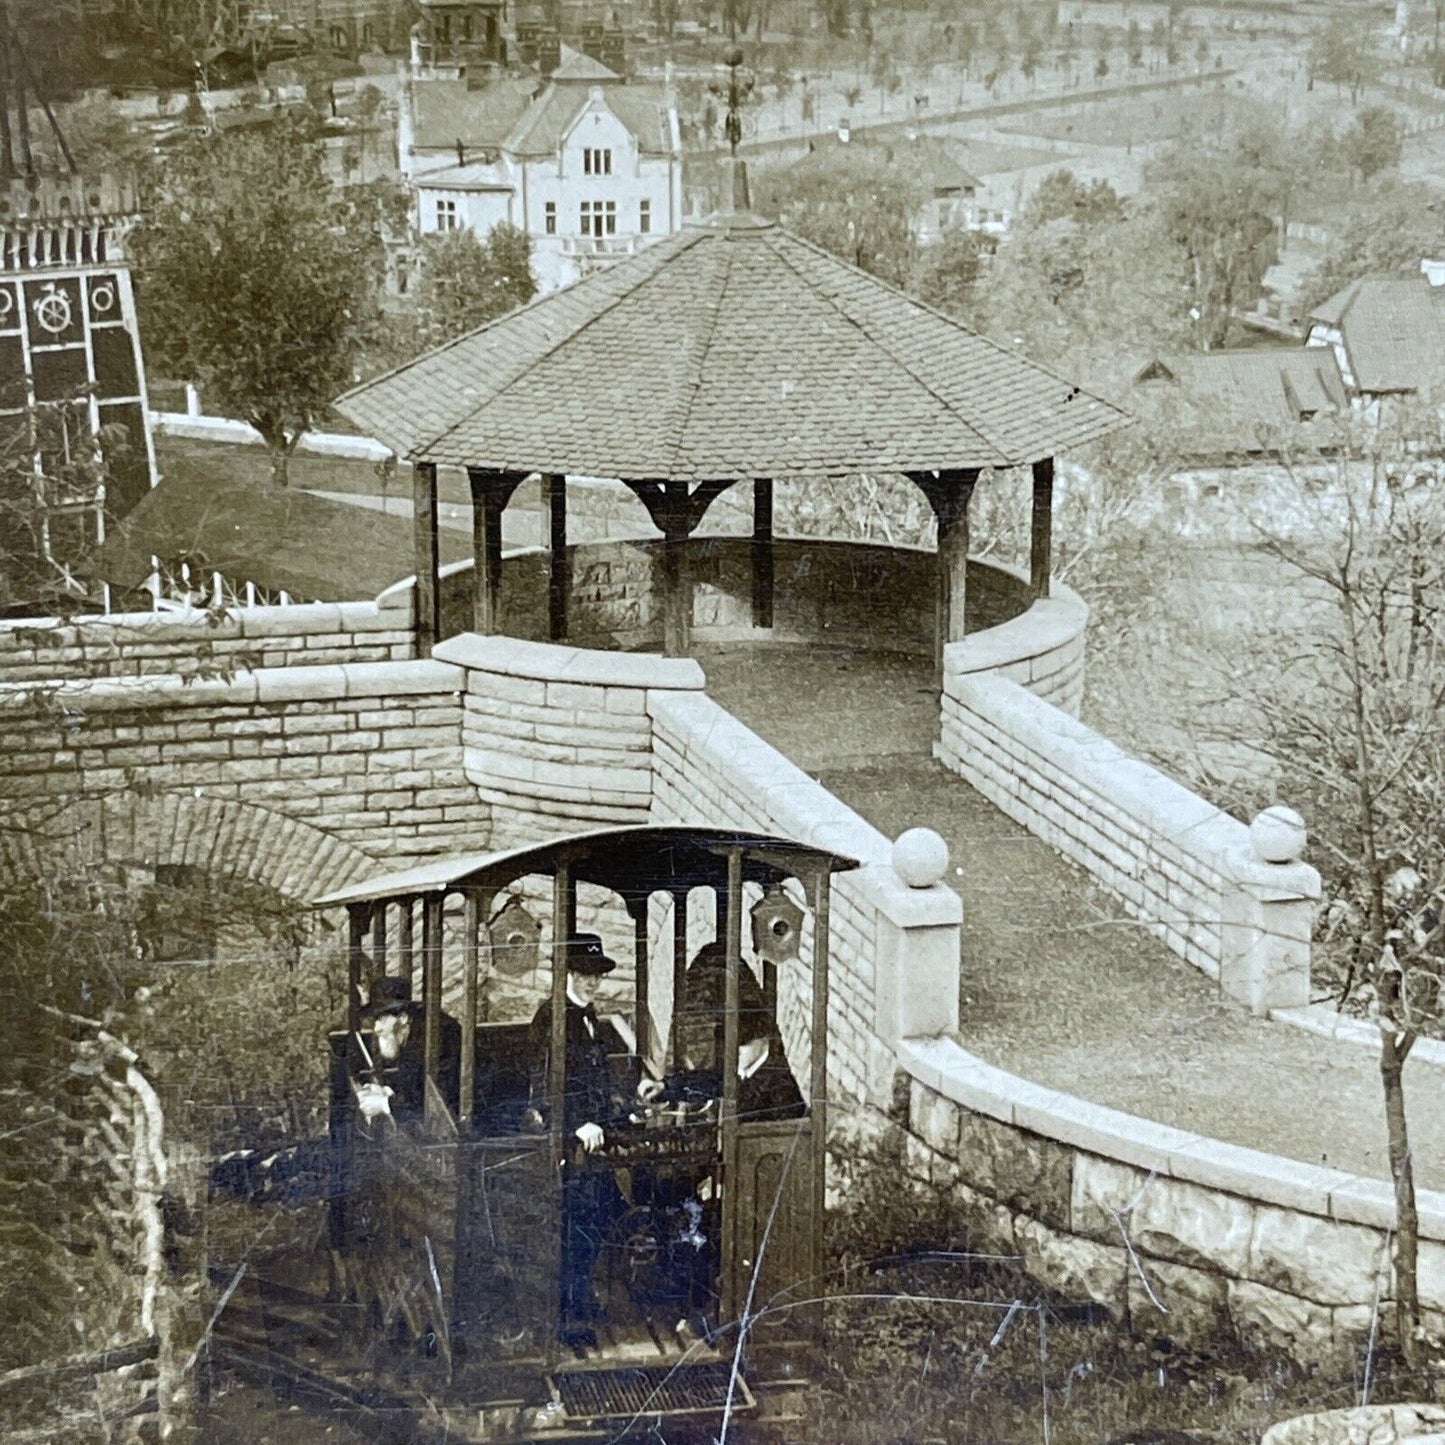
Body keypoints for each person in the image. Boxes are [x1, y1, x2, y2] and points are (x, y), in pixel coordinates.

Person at [527, 934, 630, 1348]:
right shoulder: (552, 1017)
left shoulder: (588, 1016)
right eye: (585, 975)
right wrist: (574, 1127)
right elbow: (546, 1090)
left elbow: (593, 1081)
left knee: (604, 1214)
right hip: (564, 1144)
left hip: (590, 1140)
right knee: (576, 1225)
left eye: (597, 976)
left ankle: (580, 1297)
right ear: (568, 974)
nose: (592, 983)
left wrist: (616, 1109)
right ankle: (568, 1317)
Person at [352, 975, 461, 1126]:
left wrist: (384, 1103)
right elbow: (413, 1088)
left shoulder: (432, 1037)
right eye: (375, 1020)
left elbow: (431, 1103)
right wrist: (386, 1091)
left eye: (382, 1019)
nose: (377, 1029)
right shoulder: (413, 1031)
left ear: (402, 1018)